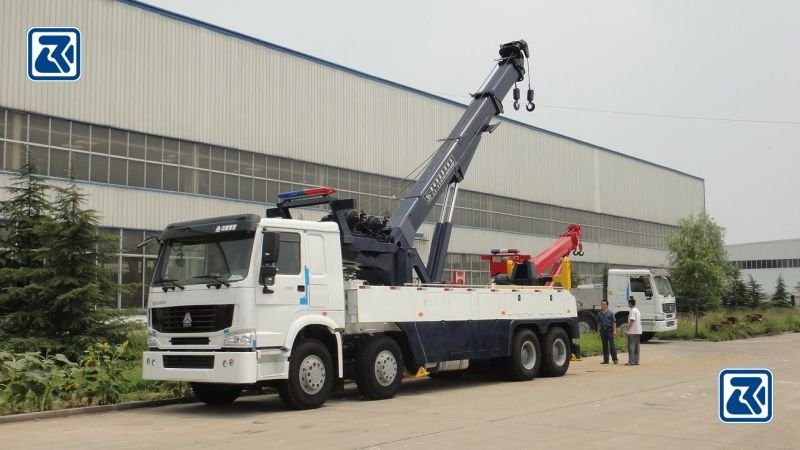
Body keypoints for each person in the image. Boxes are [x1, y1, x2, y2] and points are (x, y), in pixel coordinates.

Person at [597, 299, 617, 364]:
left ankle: (615, 359)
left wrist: (614, 331)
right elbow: (599, 323)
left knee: (612, 345)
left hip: (609, 330)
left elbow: (614, 322)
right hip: (603, 330)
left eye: (604, 304)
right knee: (604, 345)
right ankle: (606, 360)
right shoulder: (599, 314)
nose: (602, 305)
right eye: (601, 304)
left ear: (607, 305)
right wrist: (598, 332)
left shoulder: (611, 313)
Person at [626, 297, 642, 366]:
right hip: (638, 331)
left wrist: (627, 330)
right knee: (636, 347)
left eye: (628, 303)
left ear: (630, 303)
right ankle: (636, 361)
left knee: (631, 347)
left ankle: (631, 361)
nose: (628, 304)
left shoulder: (632, 311)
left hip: (632, 331)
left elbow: (632, 320)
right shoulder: (637, 310)